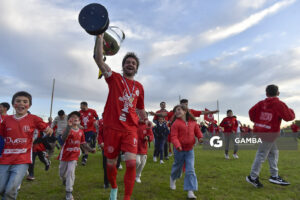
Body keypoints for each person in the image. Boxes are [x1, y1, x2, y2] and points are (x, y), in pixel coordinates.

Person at [94, 33, 149, 200]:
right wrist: (99, 37)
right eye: (128, 62)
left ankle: (127, 197)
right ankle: (114, 188)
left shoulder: (139, 86)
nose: (130, 64)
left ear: (136, 68)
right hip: (112, 128)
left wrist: (146, 120)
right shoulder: (114, 78)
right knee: (111, 165)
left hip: (130, 129)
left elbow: (140, 109)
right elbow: (98, 59)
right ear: (123, 65)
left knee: (132, 163)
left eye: (133, 63)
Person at [0, 91, 53, 200]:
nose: (21, 104)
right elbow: (3, 135)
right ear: (13, 104)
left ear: (30, 105)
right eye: (18, 101)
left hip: (22, 159)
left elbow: (45, 127)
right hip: (5, 158)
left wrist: (48, 129)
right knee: (1, 188)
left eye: (25, 101)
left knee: (11, 190)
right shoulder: (6, 120)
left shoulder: (34, 118)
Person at [246, 85, 295, 188]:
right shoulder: (279, 104)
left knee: (274, 153)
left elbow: (251, 112)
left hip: (261, 130)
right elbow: (289, 117)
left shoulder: (261, 103)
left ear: (266, 93)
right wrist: (290, 110)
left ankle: (274, 175)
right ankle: (252, 177)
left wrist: (258, 121)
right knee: (261, 154)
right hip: (270, 133)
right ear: (278, 93)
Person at [58, 111, 96, 200]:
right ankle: (64, 180)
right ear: (69, 120)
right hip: (65, 155)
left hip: (74, 155)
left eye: (77, 117)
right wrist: (68, 126)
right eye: (72, 117)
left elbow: (83, 143)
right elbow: (63, 138)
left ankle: (69, 192)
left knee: (71, 172)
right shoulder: (67, 129)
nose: (75, 118)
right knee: (62, 173)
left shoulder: (81, 131)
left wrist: (90, 149)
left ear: (79, 120)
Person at [169, 105, 203, 199]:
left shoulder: (193, 122)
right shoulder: (175, 123)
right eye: (175, 111)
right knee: (177, 167)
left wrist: (200, 138)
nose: (177, 112)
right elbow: (173, 137)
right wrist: (178, 145)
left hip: (190, 150)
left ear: (185, 111)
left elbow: (198, 132)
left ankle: (190, 191)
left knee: (190, 170)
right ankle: (173, 178)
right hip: (179, 150)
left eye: (179, 110)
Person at [97, 118, 122, 189]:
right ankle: (106, 182)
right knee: (106, 166)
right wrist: (101, 142)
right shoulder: (103, 122)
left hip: (117, 147)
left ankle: (113, 180)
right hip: (106, 146)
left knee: (116, 165)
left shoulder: (120, 122)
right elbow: (100, 134)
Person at [79, 101, 99, 165]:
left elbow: (97, 118)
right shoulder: (79, 112)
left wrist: (96, 122)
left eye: (81, 106)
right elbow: (77, 120)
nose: (80, 107)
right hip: (82, 131)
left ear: (85, 106)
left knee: (86, 144)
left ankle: (84, 159)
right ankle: (90, 150)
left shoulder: (92, 111)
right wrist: (79, 125)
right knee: (81, 144)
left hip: (90, 130)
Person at [135, 114, 153, 183]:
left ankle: (138, 176)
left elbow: (151, 135)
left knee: (142, 163)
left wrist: (148, 137)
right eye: (140, 115)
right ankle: (132, 173)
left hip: (143, 148)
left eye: (144, 116)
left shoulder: (147, 125)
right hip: (135, 147)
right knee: (137, 162)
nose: (142, 117)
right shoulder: (134, 124)